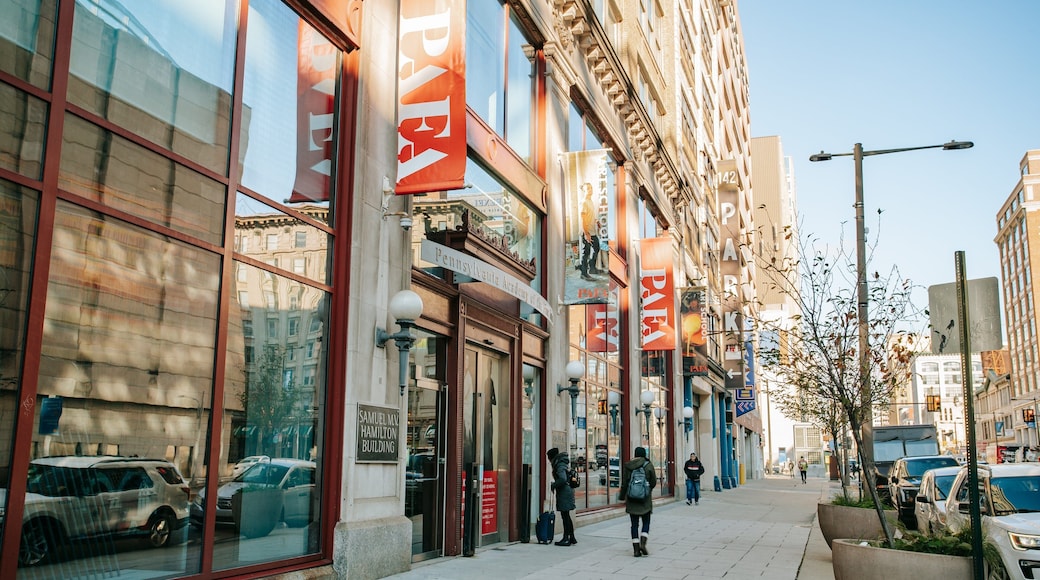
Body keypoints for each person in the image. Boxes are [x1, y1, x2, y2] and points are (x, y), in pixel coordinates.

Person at [619, 446, 656, 557]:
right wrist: (647, 490)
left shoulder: (628, 466)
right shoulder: (648, 465)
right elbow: (653, 481)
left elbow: (625, 483)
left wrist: (622, 496)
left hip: (631, 499)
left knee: (634, 525)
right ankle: (643, 543)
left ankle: (635, 549)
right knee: (646, 522)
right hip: (645, 499)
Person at [546, 448, 576, 546]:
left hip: (564, 493)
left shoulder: (559, 465)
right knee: (566, 515)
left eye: (548, 458)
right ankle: (571, 537)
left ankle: (566, 538)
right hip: (567, 491)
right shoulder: (562, 463)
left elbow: (562, 479)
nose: (548, 461)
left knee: (565, 516)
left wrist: (554, 485)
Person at [579, 183, 600, 281]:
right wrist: (586, 233)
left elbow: (590, 215)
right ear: (584, 190)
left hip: (592, 231)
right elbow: (582, 219)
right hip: (586, 232)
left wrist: (596, 221)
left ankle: (592, 268)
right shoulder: (584, 202)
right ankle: (583, 273)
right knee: (586, 253)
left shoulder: (590, 201)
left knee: (597, 248)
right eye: (588, 189)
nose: (590, 190)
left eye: (591, 188)